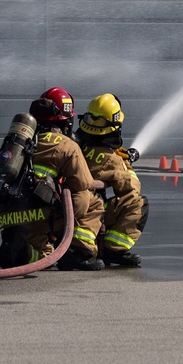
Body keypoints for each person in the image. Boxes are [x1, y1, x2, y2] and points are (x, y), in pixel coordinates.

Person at [0, 87, 106, 271]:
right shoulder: (66, 145)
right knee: (92, 201)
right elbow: (83, 183)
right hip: (39, 214)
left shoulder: (21, 142)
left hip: (9, 214)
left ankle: (23, 249)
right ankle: (79, 253)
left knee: (39, 254)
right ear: (65, 119)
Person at [75, 93, 148, 267]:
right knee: (137, 203)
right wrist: (126, 166)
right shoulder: (112, 159)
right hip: (87, 215)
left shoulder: (75, 147)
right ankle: (112, 249)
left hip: (65, 214)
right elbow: (131, 187)